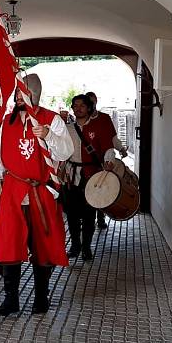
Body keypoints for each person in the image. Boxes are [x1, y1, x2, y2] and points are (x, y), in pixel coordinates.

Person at [0, 74, 74, 315]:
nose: (17, 97)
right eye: (16, 94)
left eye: (22, 93)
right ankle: (11, 299)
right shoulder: (8, 121)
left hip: (41, 191)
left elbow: (66, 152)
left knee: (43, 246)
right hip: (14, 191)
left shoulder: (51, 119)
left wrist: (48, 135)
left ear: (33, 94)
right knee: (9, 243)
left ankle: (41, 298)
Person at [63, 94, 116, 261]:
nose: (78, 108)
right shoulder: (68, 128)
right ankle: (75, 245)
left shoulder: (98, 126)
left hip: (92, 176)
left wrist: (109, 161)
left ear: (88, 108)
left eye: (82, 105)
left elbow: (108, 148)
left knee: (88, 214)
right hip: (72, 177)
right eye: (75, 105)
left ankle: (86, 247)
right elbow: (61, 152)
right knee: (71, 214)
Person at [85, 91, 127, 229]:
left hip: (103, 161)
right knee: (89, 189)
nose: (91, 105)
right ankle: (87, 218)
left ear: (96, 101)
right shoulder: (81, 120)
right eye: (88, 102)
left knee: (103, 188)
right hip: (86, 163)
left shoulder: (105, 118)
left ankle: (101, 216)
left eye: (92, 101)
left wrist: (121, 149)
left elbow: (112, 138)